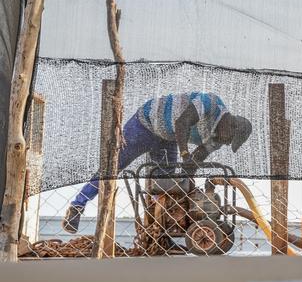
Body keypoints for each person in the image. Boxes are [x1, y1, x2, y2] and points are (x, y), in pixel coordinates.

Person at [62, 91, 252, 233]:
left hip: (167, 139)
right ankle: (77, 206)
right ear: (231, 125)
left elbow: (194, 162)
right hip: (145, 124)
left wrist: (186, 189)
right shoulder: (211, 103)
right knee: (112, 167)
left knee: (165, 187)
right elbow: (182, 123)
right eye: (231, 139)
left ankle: (159, 233)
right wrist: (185, 154)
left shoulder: (218, 139)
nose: (228, 143)